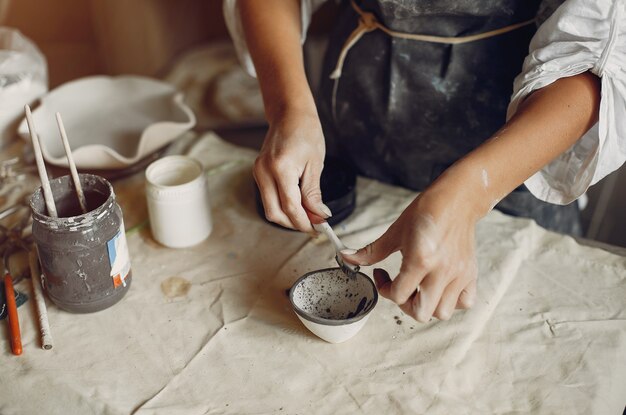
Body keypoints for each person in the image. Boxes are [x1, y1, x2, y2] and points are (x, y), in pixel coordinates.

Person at [224, 0, 625, 322]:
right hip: (359, 109)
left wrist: (471, 193)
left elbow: (599, 62)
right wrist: (287, 107)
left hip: (516, 144)